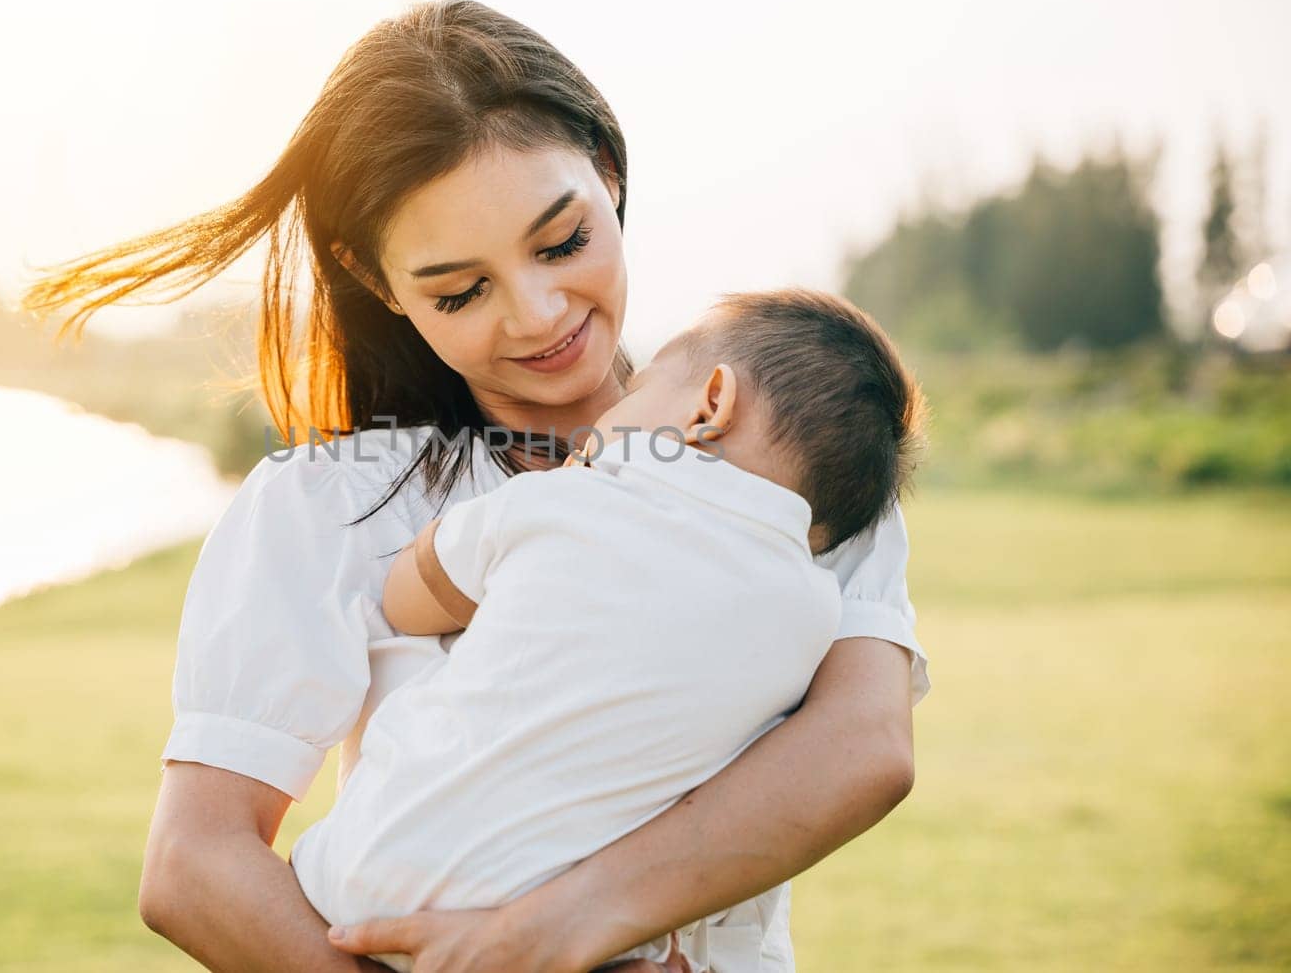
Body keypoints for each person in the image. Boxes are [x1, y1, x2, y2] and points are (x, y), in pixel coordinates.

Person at [23, 0, 930, 973]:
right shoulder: (328, 506)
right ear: (373, 279)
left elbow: (863, 744)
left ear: (609, 170)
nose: (538, 315)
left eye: (562, 242)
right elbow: (196, 862)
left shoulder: (794, 464)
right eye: (459, 290)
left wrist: (558, 927)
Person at [288, 289, 927, 973]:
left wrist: (468, 547)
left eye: (639, 388)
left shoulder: (566, 500)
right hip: (581, 926)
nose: (605, 417)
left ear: (709, 404)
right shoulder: (814, 615)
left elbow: (409, 598)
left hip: (362, 882)